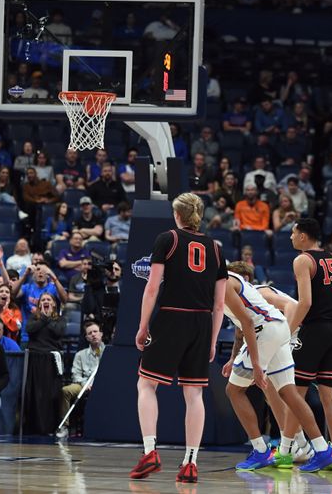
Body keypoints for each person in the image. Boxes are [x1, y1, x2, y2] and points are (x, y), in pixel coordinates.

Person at [131, 193, 228, 484]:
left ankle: (150, 451)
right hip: (201, 321)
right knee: (194, 393)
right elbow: (220, 304)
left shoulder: (168, 239)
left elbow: (152, 288)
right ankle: (190, 463)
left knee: (147, 383)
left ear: (178, 215)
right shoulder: (215, 247)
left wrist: (142, 325)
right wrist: (212, 339)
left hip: (172, 316)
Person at [221, 261, 332, 472]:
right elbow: (240, 331)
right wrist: (233, 358)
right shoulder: (242, 290)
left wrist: (257, 362)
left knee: (234, 390)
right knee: (285, 393)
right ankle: (320, 450)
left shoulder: (240, 287)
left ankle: (261, 450)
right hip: (277, 329)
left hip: (281, 331)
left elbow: (251, 322)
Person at [278, 218, 332, 470]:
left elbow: (305, 303)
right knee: (329, 395)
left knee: (296, 394)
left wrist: (287, 331)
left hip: (316, 330)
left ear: (304, 236)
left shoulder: (302, 260)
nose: (291, 237)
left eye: (294, 233)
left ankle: (285, 451)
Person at [24, 293, 66, 435]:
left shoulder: (60, 319)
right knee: (34, 393)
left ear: (54, 304)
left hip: (50, 360)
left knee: (50, 394)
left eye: (49, 299)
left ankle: (49, 427)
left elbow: (58, 331)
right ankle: (32, 428)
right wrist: (43, 317)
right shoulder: (33, 317)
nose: (46, 301)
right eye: (43, 300)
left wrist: (46, 318)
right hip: (34, 359)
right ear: (39, 304)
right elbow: (30, 329)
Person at [56, 320, 104, 438]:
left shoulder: (109, 352)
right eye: (90, 333)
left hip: (103, 385)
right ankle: (65, 426)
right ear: (86, 337)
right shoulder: (80, 355)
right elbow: (75, 375)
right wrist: (85, 385)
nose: (93, 334)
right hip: (83, 385)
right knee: (66, 390)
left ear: (101, 334)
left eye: (95, 331)